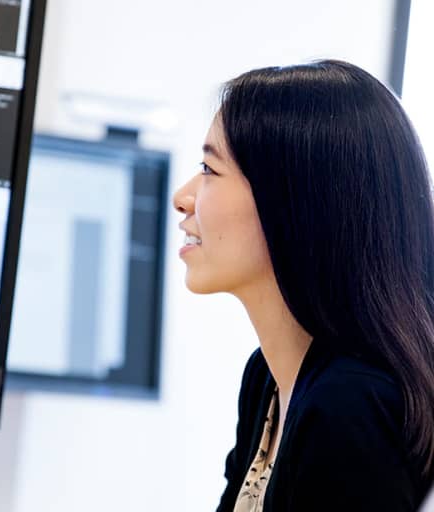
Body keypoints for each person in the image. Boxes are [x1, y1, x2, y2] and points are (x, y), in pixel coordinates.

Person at [173, 60, 434, 511]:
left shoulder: (350, 406)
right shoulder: (268, 379)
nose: (184, 196)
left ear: (292, 203)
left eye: (209, 170)